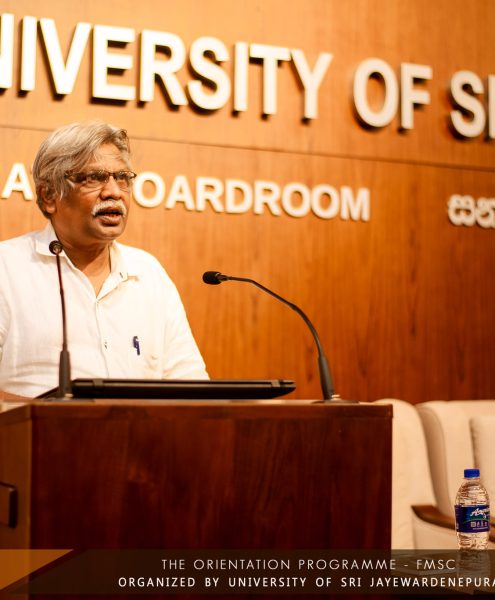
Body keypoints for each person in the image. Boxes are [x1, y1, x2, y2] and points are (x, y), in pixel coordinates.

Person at [0, 120, 208, 398]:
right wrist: (52, 416)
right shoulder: (6, 269)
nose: (114, 192)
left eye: (123, 178)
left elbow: (192, 387)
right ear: (49, 195)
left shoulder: (148, 274)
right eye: (94, 178)